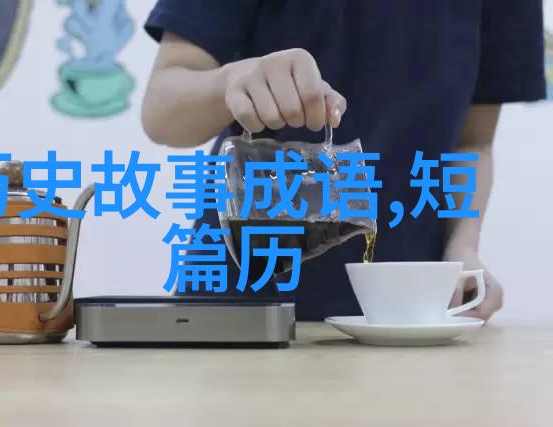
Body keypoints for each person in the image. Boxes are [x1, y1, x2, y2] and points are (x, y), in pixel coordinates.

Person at [141, 0, 546, 321]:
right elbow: (162, 111)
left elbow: (473, 143)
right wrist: (231, 81)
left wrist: (464, 245)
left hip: (406, 305)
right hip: (240, 292)